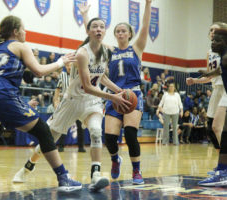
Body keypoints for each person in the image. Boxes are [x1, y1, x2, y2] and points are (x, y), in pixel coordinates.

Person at [0, 15, 82, 192]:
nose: (25, 32)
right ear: (15, 31)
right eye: (23, 28)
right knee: (43, 131)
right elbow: (38, 72)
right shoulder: (21, 46)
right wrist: (61, 62)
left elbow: (15, 76)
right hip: (1, 95)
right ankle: (63, 177)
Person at [13, 17, 130, 192]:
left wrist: (118, 90)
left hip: (93, 101)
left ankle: (96, 175)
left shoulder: (105, 52)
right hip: (73, 101)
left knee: (96, 131)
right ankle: (28, 166)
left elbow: (102, 77)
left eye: (102, 27)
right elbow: (87, 86)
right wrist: (113, 97)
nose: (99, 29)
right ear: (89, 31)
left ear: (105, 32)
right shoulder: (82, 53)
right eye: (95, 27)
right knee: (48, 140)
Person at [78, 0, 151, 184]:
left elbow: (145, 27)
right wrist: (86, 15)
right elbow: (93, 37)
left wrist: (148, 4)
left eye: (123, 31)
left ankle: (136, 171)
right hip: (114, 95)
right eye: (117, 31)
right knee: (110, 137)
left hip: (133, 94)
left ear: (129, 34)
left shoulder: (137, 48)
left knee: (130, 133)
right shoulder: (109, 50)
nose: (120, 33)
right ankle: (115, 159)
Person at [186, 22, 227, 149]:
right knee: (211, 128)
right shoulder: (210, 52)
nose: (212, 32)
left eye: (215, 30)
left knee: (219, 126)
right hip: (217, 89)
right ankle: (222, 162)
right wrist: (195, 80)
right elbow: (210, 76)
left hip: (225, 88)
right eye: (210, 30)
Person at [197, 28, 227, 186]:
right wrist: (208, 74)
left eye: (217, 40)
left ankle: (223, 170)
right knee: (219, 129)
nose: (213, 43)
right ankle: (223, 169)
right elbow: (220, 70)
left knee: (219, 128)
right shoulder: (222, 56)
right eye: (212, 40)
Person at [53, 63, 86, 153]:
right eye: (67, 66)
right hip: (66, 103)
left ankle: (81, 147)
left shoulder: (79, 75)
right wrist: (56, 101)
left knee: (80, 127)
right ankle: (61, 146)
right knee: (63, 126)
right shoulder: (62, 75)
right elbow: (57, 89)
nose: (69, 67)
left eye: (71, 65)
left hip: (78, 102)